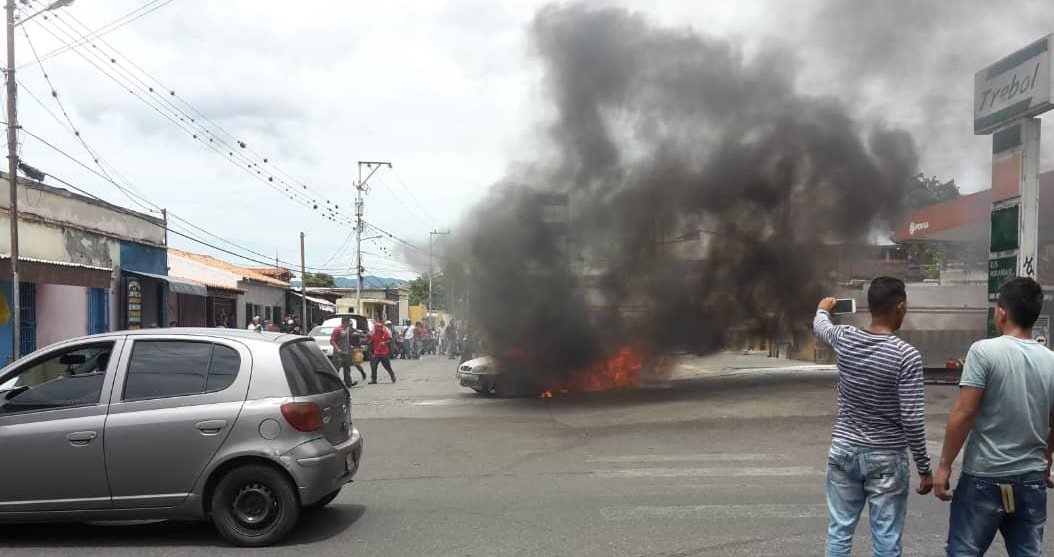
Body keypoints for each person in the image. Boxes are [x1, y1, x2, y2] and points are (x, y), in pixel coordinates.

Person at [813, 277, 932, 557]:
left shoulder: (845, 337)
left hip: (843, 450)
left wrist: (822, 308)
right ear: (900, 307)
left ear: (869, 306)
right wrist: (925, 468)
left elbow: (820, 326)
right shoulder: (906, 356)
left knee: (840, 530)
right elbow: (912, 420)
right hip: (886, 456)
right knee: (886, 537)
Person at [935, 277, 1054, 556]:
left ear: (1001, 313)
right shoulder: (1051, 360)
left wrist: (944, 465)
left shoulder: (984, 351)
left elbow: (965, 412)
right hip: (1031, 480)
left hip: (984, 477)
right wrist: (1046, 458)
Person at [330, 317, 366, 387]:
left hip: (346, 352)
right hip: (339, 353)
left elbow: (346, 341)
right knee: (337, 368)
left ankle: (348, 383)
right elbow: (332, 340)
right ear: (345, 322)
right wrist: (337, 348)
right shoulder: (337, 330)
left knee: (347, 368)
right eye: (349, 322)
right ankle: (334, 384)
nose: (350, 323)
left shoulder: (347, 329)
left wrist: (349, 346)